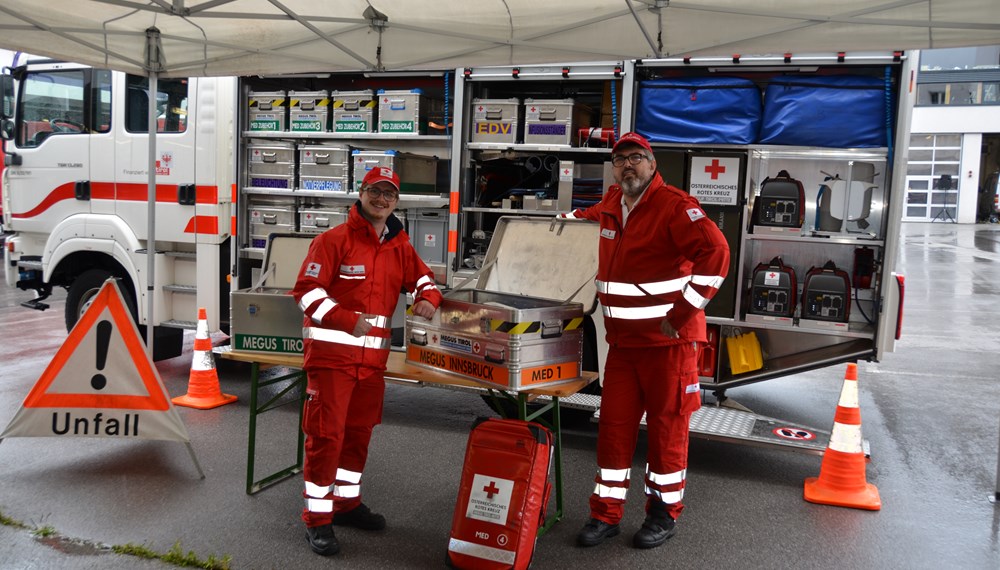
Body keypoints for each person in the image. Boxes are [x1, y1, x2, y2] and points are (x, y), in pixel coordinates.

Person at [563, 132, 730, 549]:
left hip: (669, 348)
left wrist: (682, 313)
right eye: (620, 160)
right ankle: (605, 515)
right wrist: (554, 225)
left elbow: (717, 254)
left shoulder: (675, 207)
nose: (628, 166)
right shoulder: (611, 204)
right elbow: (585, 217)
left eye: (636, 158)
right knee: (613, 432)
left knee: (666, 432)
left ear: (652, 164)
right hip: (621, 347)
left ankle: (662, 514)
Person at [291, 166, 442, 556]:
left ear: (396, 201)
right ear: (361, 192)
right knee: (326, 438)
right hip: (332, 361)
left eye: (389, 194)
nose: (381, 199)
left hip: (371, 364)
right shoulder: (333, 240)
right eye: (375, 191)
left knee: (358, 436)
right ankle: (318, 520)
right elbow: (306, 292)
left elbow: (424, 279)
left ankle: (346, 505)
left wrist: (428, 298)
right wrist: (346, 319)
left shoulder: (398, 245)